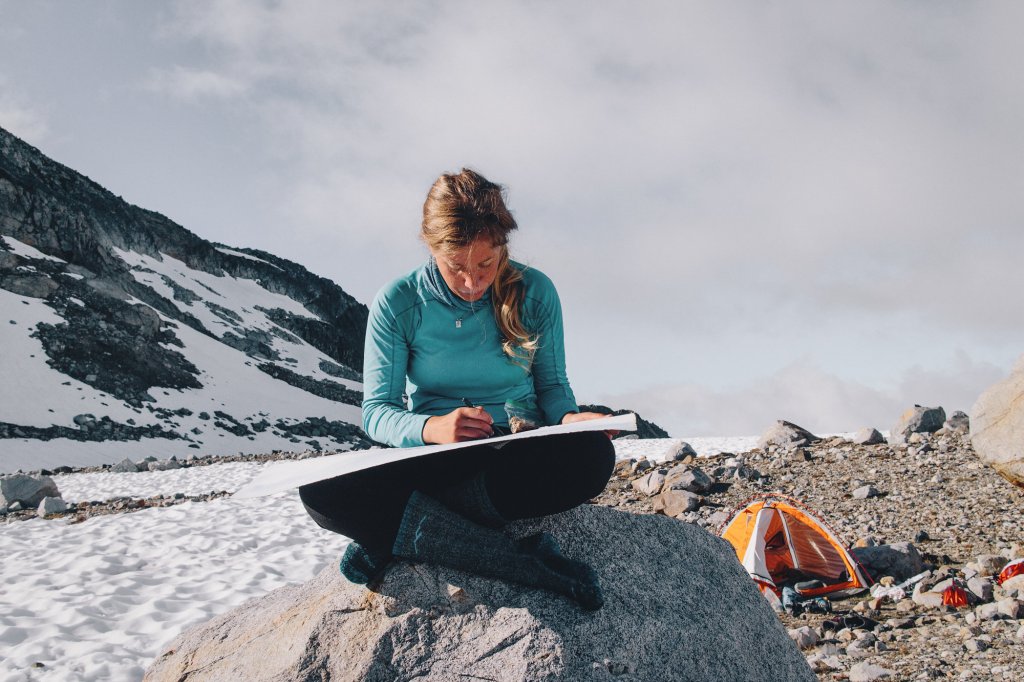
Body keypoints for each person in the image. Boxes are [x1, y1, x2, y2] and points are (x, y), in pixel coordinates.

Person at [299, 168, 616, 610]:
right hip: (436, 458)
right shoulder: (399, 302)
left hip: (511, 453)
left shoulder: (536, 292)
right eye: (456, 268)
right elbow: (377, 412)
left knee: (592, 458)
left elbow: (553, 388)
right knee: (320, 491)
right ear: (432, 249)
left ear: (502, 245)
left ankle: (402, 533)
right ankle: (520, 561)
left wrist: (568, 419)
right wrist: (433, 429)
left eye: (486, 264)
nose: (473, 282)